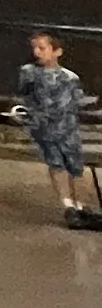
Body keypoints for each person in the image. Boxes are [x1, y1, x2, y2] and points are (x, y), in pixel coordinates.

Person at [14, 33, 102, 229]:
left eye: (42, 48)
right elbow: (23, 94)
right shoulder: (29, 72)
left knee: (75, 166)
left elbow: (76, 100)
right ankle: (68, 205)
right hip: (44, 127)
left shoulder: (70, 78)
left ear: (57, 51)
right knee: (56, 164)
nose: (37, 52)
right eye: (35, 48)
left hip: (67, 127)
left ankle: (81, 204)